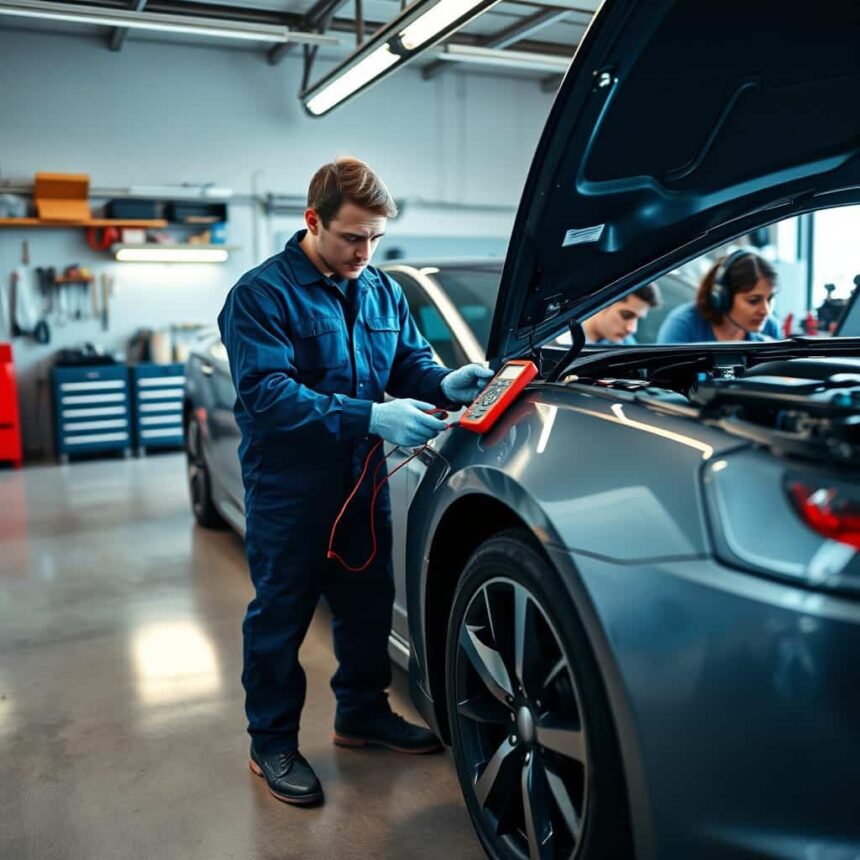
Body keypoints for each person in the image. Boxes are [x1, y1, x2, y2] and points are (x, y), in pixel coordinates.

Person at [217, 157, 493, 807]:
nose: (364, 252)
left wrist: (444, 381)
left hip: (362, 482)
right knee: (281, 615)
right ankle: (271, 742)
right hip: (290, 487)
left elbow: (409, 363)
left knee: (367, 603)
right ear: (313, 221)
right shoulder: (261, 295)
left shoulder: (381, 291)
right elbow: (267, 394)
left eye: (375, 237)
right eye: (351, 237)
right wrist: (369, 415)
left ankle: (361, 714)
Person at [657, 249, 780, 343]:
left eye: (770, 299)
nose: (766, 311)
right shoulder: (683, 325)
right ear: (723, 297)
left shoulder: (770, 327)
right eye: (753, 300)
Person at [582, 284, 661, 344]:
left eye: (638, 320)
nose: (632, 329)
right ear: (603, 304)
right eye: (626, 315)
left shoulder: (627, 344)